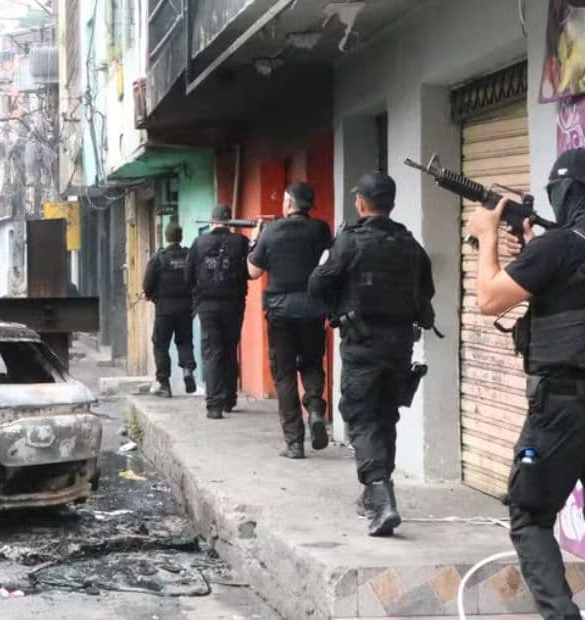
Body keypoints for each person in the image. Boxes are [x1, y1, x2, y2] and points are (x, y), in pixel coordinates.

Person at [468, 148, 585, 620]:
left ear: (563, 192)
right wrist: (533, 246)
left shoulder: (557, 247)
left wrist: (487, 235)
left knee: (530, 515)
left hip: (564, 407)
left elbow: (490, 299)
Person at [308, 171, 435, 537]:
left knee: (362, 418)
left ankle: (380, 495)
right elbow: (426, 292)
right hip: (399, 347)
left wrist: (336, 303)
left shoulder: (349, 242)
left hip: (362, 345)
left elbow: (317, 285)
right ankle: (374, 493)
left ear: (360, 203)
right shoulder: (410, 245)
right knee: (385, 415)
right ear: (391, 204)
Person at [248, 182, 333, 459]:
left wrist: (254, 240)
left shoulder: (270, 232)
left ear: (287, 203)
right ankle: (316, 407)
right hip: (313, 309)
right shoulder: (321, 230)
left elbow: (253, 272)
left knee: (284, 375)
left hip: (280, 312)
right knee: (311, 362)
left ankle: (295, 443)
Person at [186, 205, 250, 419]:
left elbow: (188, 275)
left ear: (212, 221)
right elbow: (250, 271)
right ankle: (229, 399)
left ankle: (214, 405)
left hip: (207, 305)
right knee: (230, 348)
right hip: (234, 304)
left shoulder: (199, 242)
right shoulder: (240, 242)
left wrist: (196, 297)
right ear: (229, 220)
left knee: (212, 351)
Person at [142, 223, 198, 397]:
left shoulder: (159, 258)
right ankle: (188, 370)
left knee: (160, 345)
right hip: (186, 309)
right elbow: (196, 280)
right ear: (180, 237)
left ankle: (164, 384)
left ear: (166, 237)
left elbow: (147, 284)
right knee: (185, 341)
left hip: (164, 310)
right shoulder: (189, 256)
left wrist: (152, 297)